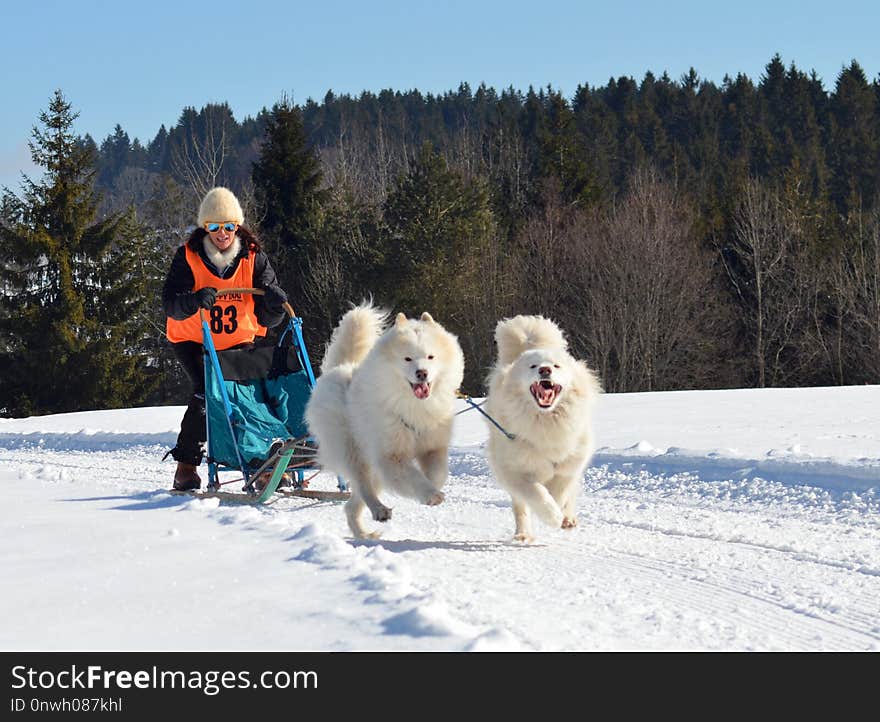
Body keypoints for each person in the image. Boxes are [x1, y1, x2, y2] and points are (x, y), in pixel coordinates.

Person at [163, 187, 289, 490]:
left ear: (238, 226)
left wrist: (274, 306)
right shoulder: (188, 256)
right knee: (207, 392)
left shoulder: (253, 257)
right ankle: (186, 465)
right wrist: (194, 300)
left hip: (236, 339)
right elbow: (170, 302)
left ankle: (259, 461)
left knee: (246, 394)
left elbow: (267, 317)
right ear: (205, 228)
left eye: (229, 226)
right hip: (194, 338)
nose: (223, 233)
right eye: (215, 227)